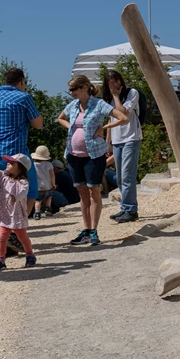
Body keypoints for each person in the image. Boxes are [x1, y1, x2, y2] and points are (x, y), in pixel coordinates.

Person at [58, 75, 128, 246]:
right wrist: (71, 128)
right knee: (82, 192)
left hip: (94, 155)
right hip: (74, 155)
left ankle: (94, 230)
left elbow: (123, 118)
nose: (71, 92)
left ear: (84, 88)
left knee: (94, 191)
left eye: (74, 89)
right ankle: (86, 229)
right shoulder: (73, 105)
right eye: (70, 90)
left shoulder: (99, 104)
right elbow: (60, 118)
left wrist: (104, 127)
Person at [0, 67, 43, 216]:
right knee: (30, 190)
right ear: (22, 81)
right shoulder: (24, 98)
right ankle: (19, 223)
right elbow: (38, 124)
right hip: (16, 154)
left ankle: (0, 227)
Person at [102, 70, 143, 222]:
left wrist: (116, 96)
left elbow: (123, 112)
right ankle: (125, 208)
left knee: (127, 175)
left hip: (131, 138)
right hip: (117, 140)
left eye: (116, 80)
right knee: (120, 177)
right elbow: (110, 121)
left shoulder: (132, 93)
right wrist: (108, 143)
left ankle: (131, 209)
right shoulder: (108, 99)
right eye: (111, 82)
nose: (115, 84)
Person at [30, 145, 55, 219]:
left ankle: (37, 212)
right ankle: (48, 209)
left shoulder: (33, 165)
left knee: (38, 200)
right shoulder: (49, 165)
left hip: (38, 186)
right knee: (48, 197)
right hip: (48, 185)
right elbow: (52, 175)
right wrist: (53, 184)